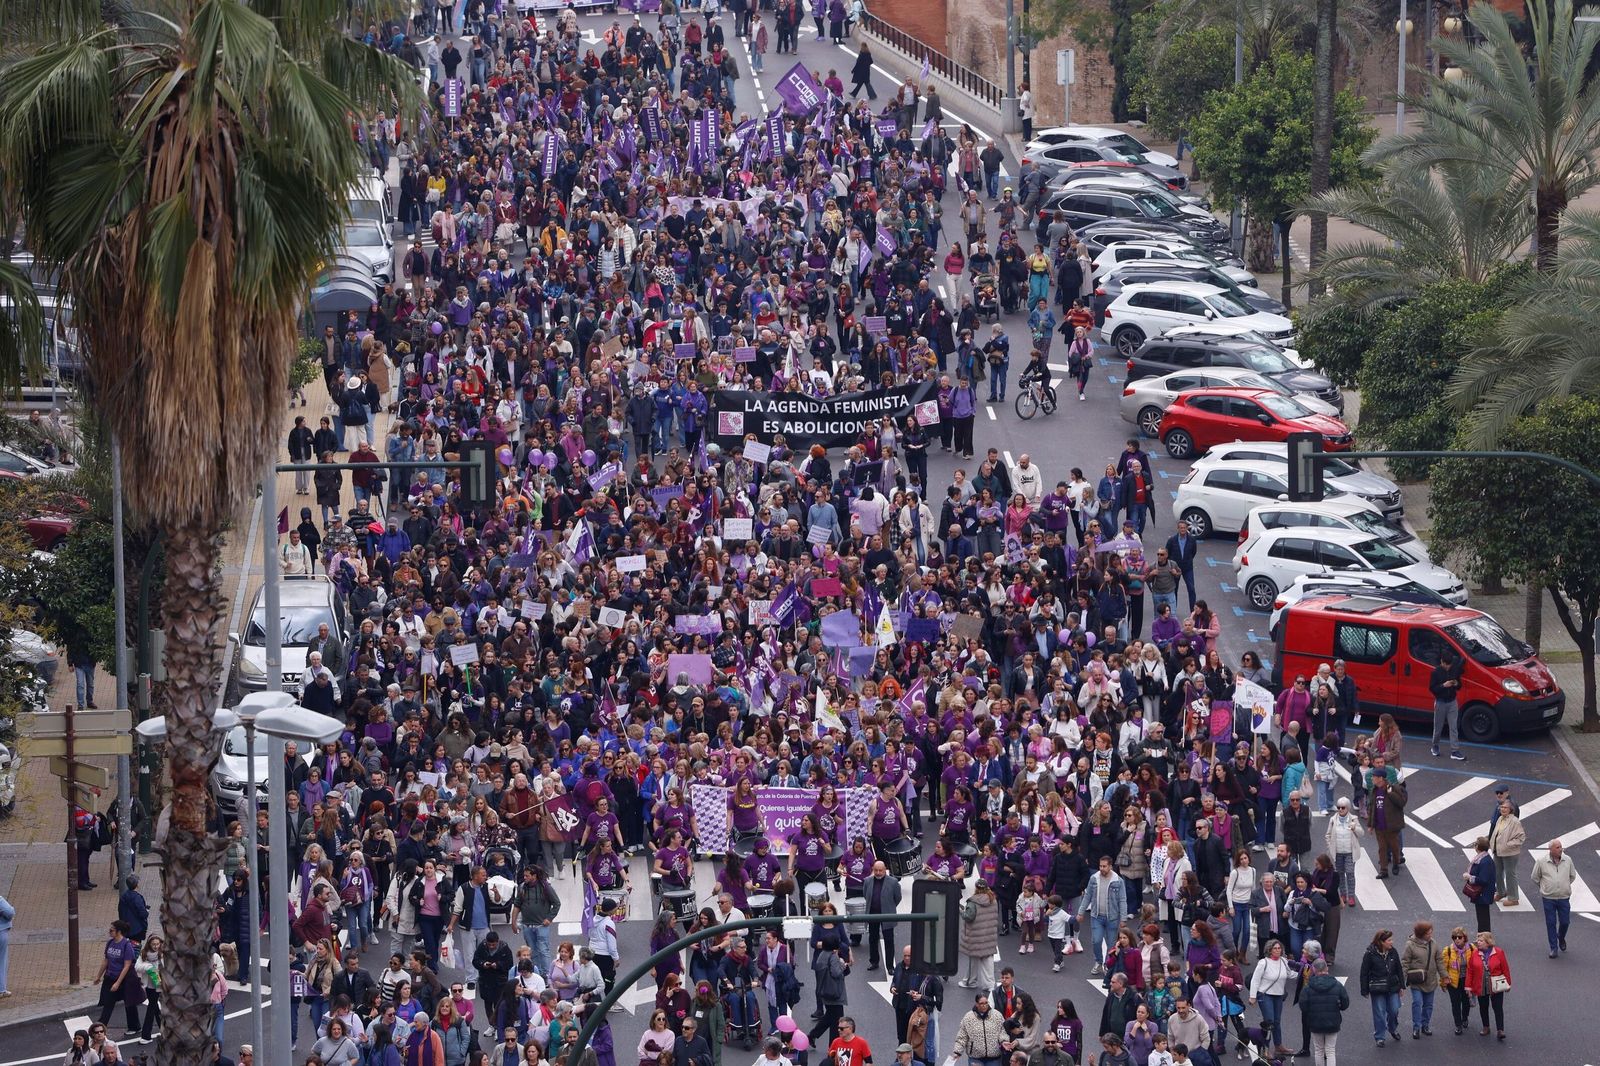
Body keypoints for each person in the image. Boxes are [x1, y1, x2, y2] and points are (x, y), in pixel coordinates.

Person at [95, 921, 142, 1038]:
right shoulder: (110, 943)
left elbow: (127, 966)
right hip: (110, 977)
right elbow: (106, 960)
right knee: (108, 1002)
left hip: (124, 979)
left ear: (119, 932)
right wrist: (98, 976)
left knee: (129, 1003)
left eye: (111, 930)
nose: (109, 932)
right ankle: (101, 1027)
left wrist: (118, 983)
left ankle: (134, 1026)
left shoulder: (126, 945)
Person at [1297, 957, 1347, 1066]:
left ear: (1314, 970)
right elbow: (1345, 1003)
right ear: (1326, 968)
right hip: (1332, 1021)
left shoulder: (1308, 987)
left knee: (1318, 1050)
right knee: (1330, 1050)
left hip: (1315, 1022)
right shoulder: (1337, 985)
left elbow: (1303, 1006)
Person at [1356, 929, 1402, 1048]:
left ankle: (1392, 1028)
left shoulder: (1393, 952)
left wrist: (1402, 986)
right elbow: (1364, 973)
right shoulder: (1370, 954)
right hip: (1377, 988)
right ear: (1381, 942)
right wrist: (1364, 990)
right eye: (1389, 940)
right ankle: (1380, 1037)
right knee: (1379, 1013)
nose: (1392, 942)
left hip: (1392, 986)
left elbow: (1399, 969)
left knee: (1394, 1010)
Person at [1531, 838, 1576, 957]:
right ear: (1550, 849)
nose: (1561, 849)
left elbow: (1572, 876)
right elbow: (1535, 877)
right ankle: (1553, 948)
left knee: (1565, 922)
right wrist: (1545, 887)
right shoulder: (1541, 861)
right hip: (1548, 898)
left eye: (1561, 847)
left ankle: (1561, 937)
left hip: (1563, 897)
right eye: (1557, 847)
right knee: (1550, 923)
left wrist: (1563, 886)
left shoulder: (1568, 860)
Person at [1463, 930, 1509, 1040]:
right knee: (1483, 1007)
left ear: (1488, 942)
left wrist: (1508, 983)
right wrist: (1468, 987)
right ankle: (1486, 1027)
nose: (1478, 942)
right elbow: (1470, 971)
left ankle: (1500, 1029)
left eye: (1481, 941)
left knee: (1497, 1007)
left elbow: (1505, 968)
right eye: (1478, 940)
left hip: (1495, 985)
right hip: (1481, 985)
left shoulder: (1499, 952)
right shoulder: (1475, 954)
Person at [1399, 920, 1442, 1040]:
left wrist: (1445, 976)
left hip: (1431, 980)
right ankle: (1416, 1027)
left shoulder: (1433, 944)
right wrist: (1402, 982)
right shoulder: (1410, 945)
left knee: (1428, 1005)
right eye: (1428, 933)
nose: (1431, 935)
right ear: (1421, 933)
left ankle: (1425, 1025)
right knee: (1417, 1003)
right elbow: (1405, 963)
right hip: (1417, 980)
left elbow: (1439, 960)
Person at [951, 992, 1008, 1066]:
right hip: (975, 1058)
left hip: (994, 1058)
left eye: (986, 1003)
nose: (984, 1005)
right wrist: (957, 1052)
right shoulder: (968, 1018)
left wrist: (1004, 1041)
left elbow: (1002, 1031)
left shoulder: (997, 1015)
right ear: (977, 1004)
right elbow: (962, 1036)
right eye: (981, 1003)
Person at [1487, 796, 1525, 906]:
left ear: (1510, 809)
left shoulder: (1515, 822)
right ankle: (1500, 892)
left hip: (1510, 853)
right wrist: (1492, 843)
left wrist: (1508, 845)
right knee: (1497, 872)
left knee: (1510, 874)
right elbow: (1496, 833)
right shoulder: (1500, 819)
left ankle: (1513, 898)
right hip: (1498, 851)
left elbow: (1521, 837)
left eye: (1505, 807)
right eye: (1501, 807)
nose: (1502, 809)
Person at [1428, 648, 1465, 759]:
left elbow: (1459, 685)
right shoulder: (1435, 672)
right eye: (1446, 664)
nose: (1448, 667)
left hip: (1452, 701)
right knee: (1438, 727)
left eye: (1449, 665)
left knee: (1453, 727)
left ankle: (1455, 751)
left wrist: (1456, 683)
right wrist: (1443, 685)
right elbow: (1432, 688)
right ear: (1442, 662)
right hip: (1440, 702)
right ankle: (1435, 745)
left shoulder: (1454, 669)